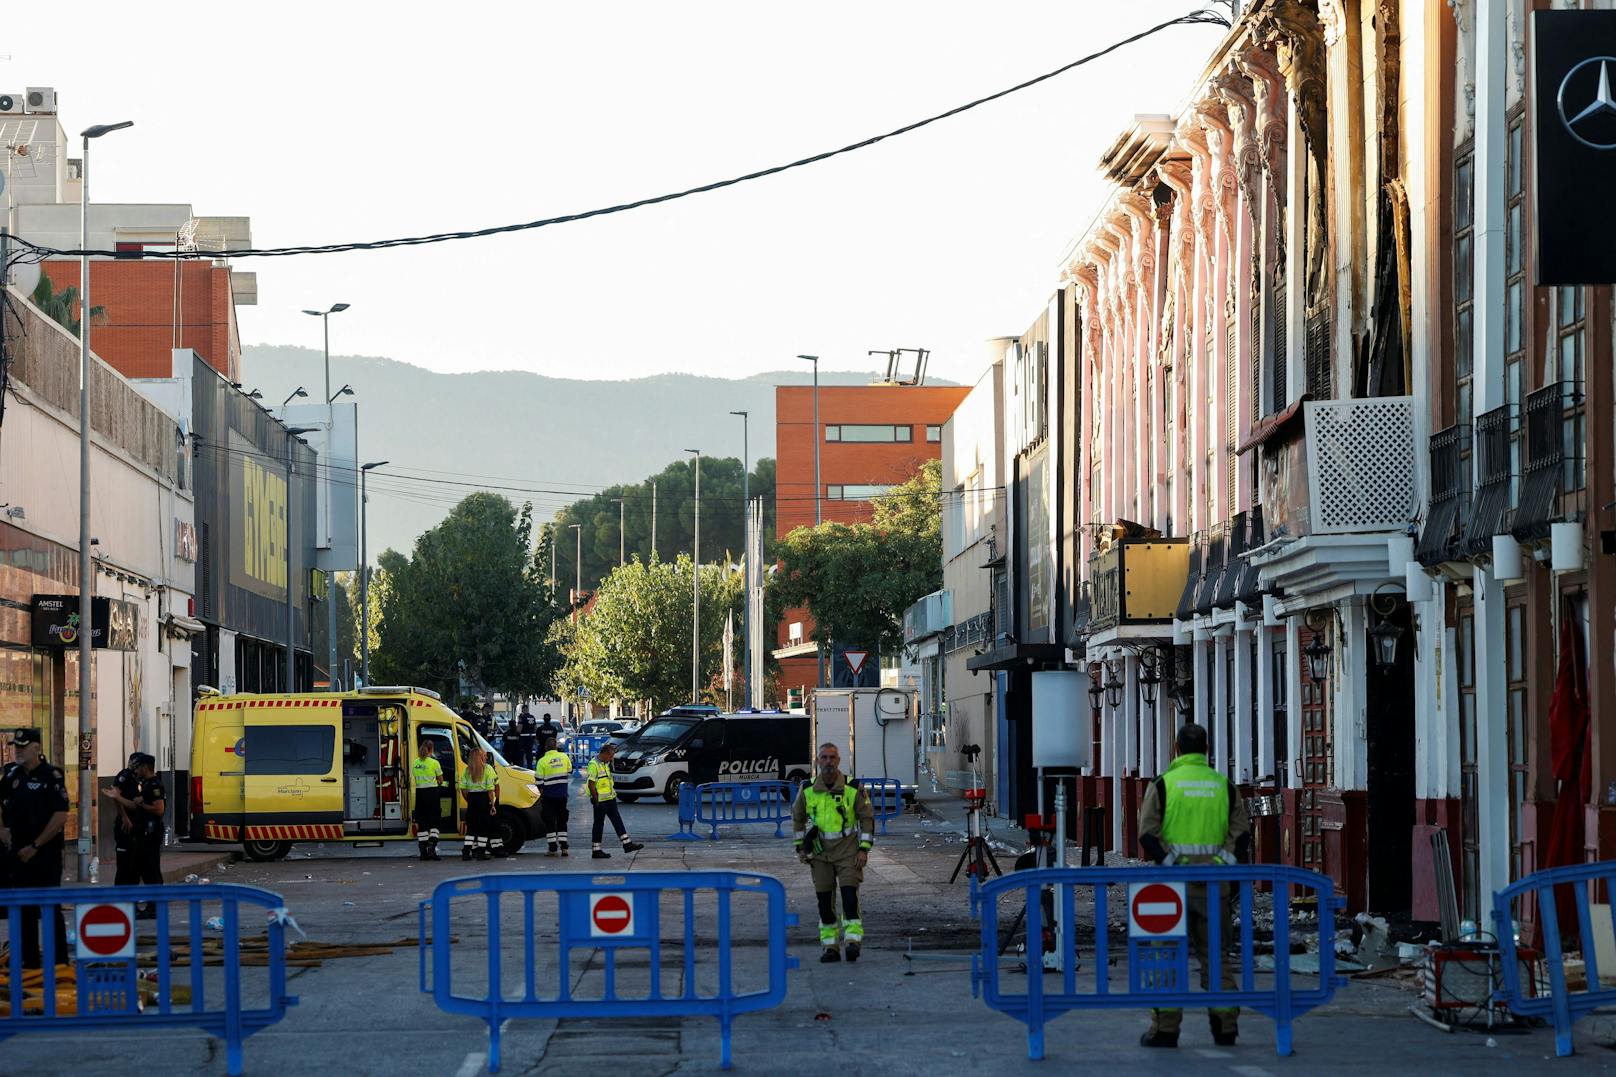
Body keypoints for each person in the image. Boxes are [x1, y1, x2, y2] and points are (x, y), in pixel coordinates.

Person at [1136, 722, 1252, 1049]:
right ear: (1206, 750)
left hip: (1171, 889)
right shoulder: (1224, 785)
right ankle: (1225, 1026)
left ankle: (1166, 1029)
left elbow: (1148, 834)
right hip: (1215, 887)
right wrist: (1218, 866)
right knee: (1216, 955)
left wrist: (1176, 864)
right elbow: (1240, 836)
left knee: (1167, 956)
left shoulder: (1163, 785)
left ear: (1176, 749)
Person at [792, 742, 874, 963]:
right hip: (820, 855)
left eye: (832, 757)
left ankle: (852, 942)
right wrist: (801, 847)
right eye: (824, 757)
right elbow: (797, 817)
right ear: (818, 761)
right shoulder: (807, 789)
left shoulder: (853, 787)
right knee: (824, 902)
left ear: (838, 761)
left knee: (849, 898)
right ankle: (830, 947)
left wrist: (864, 849)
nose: (828, 761)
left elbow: (866, 818)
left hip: (848, 851)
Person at [0, 728, 70, 967]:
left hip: (45, 853)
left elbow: (60, 815)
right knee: (24, 910)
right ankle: (30, 962)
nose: (18, 751)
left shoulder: (52, 776)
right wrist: (2, 830)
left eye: (23, 746)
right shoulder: (11, 775)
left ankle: (59, 963)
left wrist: (36, 845)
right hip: (18, 853)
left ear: (37, 748)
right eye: (16, 746)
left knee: (50, 907)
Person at [106, 753, 165, 912]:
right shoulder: (127, 776)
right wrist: (123, 812)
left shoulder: (151, 784)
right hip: (134, 829)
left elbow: (157, 809)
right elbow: (132, 805)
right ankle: (127, 904)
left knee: (149, 869)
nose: (135, 768)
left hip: (147, 832)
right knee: (129, 867)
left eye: (138, 765)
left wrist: (136, 804)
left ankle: (153, 907)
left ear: (144, 766)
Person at [585, 742, 643, 859]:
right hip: (600, 801)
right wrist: (596, 800)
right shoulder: (594, 764)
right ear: (605, 754)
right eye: (610, 756)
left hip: (610, 799)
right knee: (598, 825)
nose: (611, 759)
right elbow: (591, 785)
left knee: (617, 821)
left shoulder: (604, 764)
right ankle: (596, 850)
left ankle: (627, 844)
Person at [535, 735, 572, 857]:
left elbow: (539, 781)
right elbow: (569, 770)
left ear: (546, 747)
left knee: (550, 821)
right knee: (562, 819)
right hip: (562, 795)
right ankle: (564, 847)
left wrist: (542, 793)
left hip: (549, 796)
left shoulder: (542, 761)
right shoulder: (564, 757)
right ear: (556, 746)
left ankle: (552, 848)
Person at [460, 747, 499, 861]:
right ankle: (481, 853)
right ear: (480, 756)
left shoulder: (467, 770)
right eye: (483, 754)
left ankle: (466, 852)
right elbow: (490, 789)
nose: (485, 756)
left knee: (471, 827)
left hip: (472, 798)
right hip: (483, 798)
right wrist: (492, 805)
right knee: (483, 827)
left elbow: (463, 788)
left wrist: (469, 800)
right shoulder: (488, 769)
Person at [411, 739, 445, 861]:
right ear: (431, 749)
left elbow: (415, 777)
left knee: (422, 822)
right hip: (432, 793)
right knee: (435, 821)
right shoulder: (434, 763)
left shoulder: (415, 762)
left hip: (420, 794)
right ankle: (432, 848)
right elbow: (440, 780)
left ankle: (423, 852)